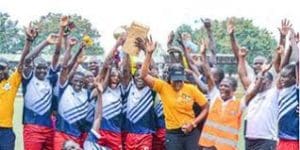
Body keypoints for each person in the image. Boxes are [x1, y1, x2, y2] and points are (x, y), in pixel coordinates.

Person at [141, 36, 209, 150]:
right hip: (173, 134)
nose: (178, 83)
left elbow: (206, 107)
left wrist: (193, 124)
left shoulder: (191, 89)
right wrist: (148, 54)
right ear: (168, 78)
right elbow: (143, 75)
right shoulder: (163, 87)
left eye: (180, 80)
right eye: (175, 80)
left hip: (191, 133)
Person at [21, 16, 67, 150]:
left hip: (49, 127)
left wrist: (62, 29)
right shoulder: (28, 78)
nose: (42, 70)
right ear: (34, 68)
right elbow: (27, 60)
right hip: (32, 127)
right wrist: (46, 43)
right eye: (39, 67)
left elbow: (57, 54)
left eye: (44, 68)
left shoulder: (50, 79)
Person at [0, 23, 36, 150]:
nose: (0, 71)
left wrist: (28, 40)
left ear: (8, 69)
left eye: (2, 68)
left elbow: (22, 61)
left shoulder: (12, 82)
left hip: (6, 131)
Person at [277, 64, 299, 150]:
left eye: (285, 77)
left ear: (295, 78)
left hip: (292, 138)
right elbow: (281, 65)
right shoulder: (281, 91)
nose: (282, 79)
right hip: (282, 138)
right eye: (281, 76)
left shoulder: (296, 91)